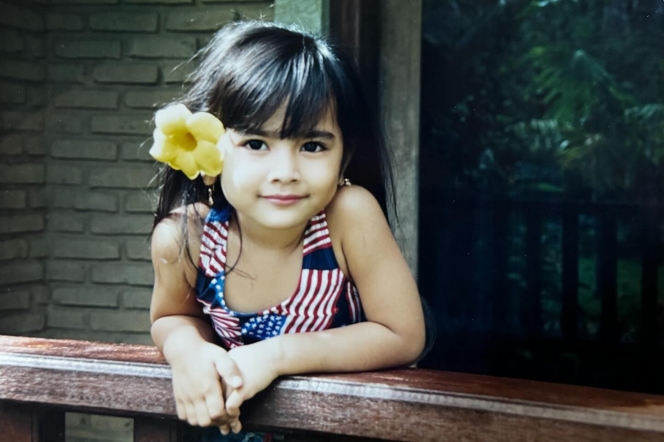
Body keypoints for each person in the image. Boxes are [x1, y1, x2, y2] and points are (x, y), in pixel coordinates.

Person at [149, 21, 428, 441]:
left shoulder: (346, 216)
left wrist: (275, 356)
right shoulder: (186, 238)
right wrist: (188, 351)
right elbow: (173, 316)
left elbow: (403, 335)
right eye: (256, 144)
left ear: (344, 155)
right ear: (211, 151)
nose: (285, 173)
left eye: (312, 146)